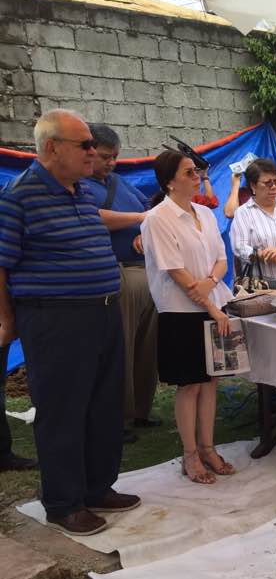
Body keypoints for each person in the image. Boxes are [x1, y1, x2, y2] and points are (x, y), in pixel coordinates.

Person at [0, 109, 139, 534]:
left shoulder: (83, 192)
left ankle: (97, 486)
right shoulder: (19, 197)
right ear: (51, 148)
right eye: (83, 144)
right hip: (56, 317)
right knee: (62, 410)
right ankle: (63, 502)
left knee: (104, 403)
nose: (92, 151)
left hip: (102, 310)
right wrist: (8, 321)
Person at [141, 150, 235, 485]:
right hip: (181, 312)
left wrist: (210, 286)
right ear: (169, 182)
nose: (197, 177)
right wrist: (209, 304)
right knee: (190, 384)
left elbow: (222, 260)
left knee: (211, 380)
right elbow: (176, 273)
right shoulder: (157, 219)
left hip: (212, 303)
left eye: (196, 171)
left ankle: (209, 447)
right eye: (188, 172)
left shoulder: (204, 215)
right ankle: (190, 454)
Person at [82, 124, 160, 441]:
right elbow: (94, 216)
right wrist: (141, 221)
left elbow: (147, 209)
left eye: (115, 157)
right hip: (117, 276)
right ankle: (118, 417)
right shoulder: (78, 187)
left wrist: (144, 228)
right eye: (105, 157)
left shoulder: (120, 183)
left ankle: (141, 409)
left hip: (145, 272)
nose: (111, 163)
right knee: (121, 348)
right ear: (88, 152)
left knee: (147, 347)